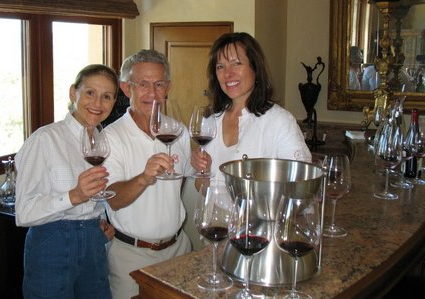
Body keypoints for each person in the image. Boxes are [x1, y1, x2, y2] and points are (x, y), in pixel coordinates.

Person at [14, 64, 118, 299]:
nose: (97, 103)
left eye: (106, 96)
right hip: (52, 242)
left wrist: (100, 219)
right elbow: (24, 213)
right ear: (73, 93)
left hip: (93, 242)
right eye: (90, 93)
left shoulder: (102, 140)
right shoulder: (45, 139)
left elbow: (96, 195)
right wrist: (74, 196)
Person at [103, 49, 192, 299]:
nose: (152, 93)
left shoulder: (178, 130)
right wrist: (143, 178)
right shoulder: (111, 137)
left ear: (168, 87)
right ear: (126, 88)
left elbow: (180, 184)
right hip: (130, 256)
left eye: (159, 84)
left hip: (178, 249)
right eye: (142, 84)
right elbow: (113, 198)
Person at [191, 32, 311, 181]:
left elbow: (300, 184)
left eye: (236, 63)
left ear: (255, 67)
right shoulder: (211, 120)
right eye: (220, 66)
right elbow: (202, 189)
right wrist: (204, 171)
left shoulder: (280, 121)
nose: (228, 73)